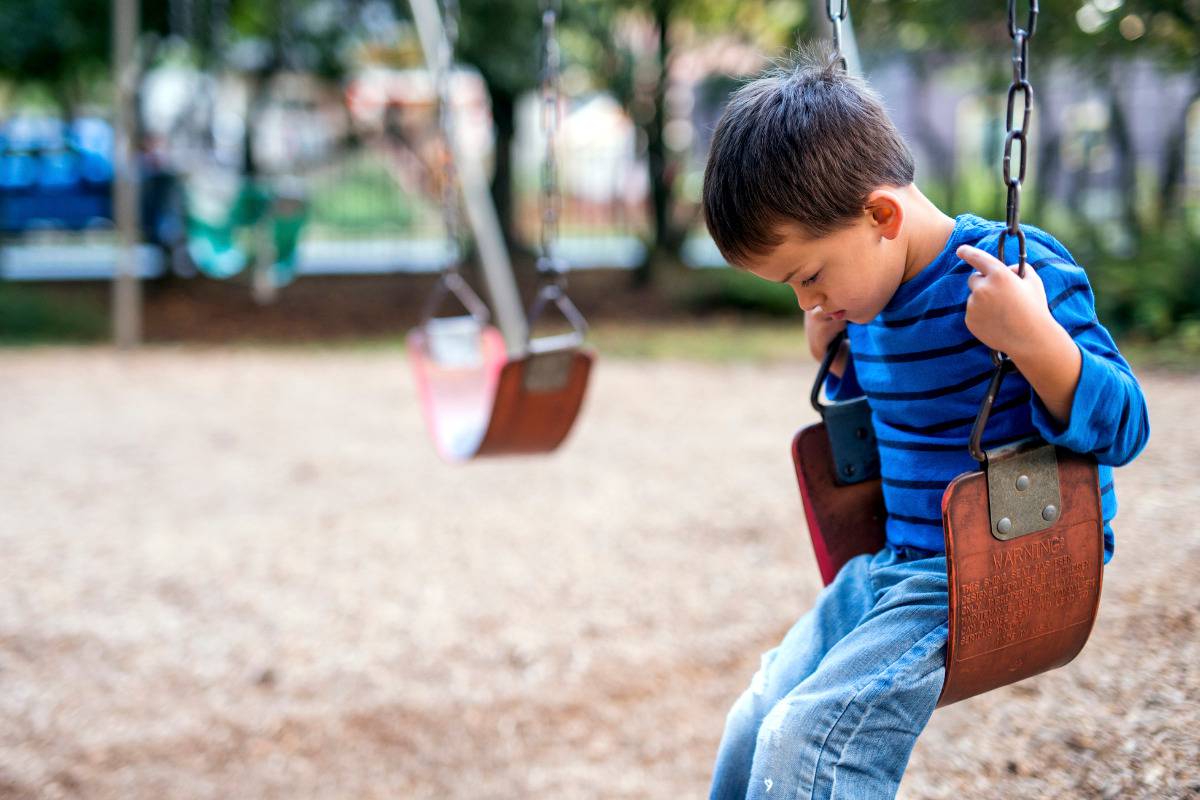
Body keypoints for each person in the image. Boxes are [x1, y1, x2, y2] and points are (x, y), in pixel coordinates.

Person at [700, 47, 1150, 800]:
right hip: (893, 565)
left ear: (880, 214)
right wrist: (837, 358)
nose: (808, 303)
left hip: (996, 564)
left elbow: (1127, 425)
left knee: (811, 739)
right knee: (756, 719)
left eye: (808, 277)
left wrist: (1037, 342)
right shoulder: (865, 305)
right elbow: (901, 415)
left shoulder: (1015, 273)